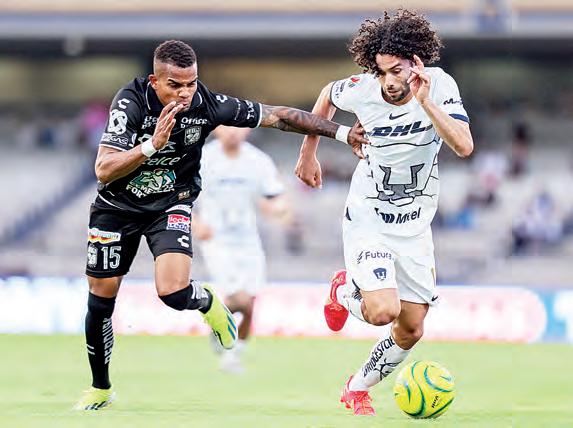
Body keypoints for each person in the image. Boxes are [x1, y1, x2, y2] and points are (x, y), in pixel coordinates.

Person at [75, 39, 367, 411]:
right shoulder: (130, 102)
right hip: (116, 209)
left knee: (172, 293)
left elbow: (279, 116)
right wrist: (152, 145)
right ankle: (100, 388)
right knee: (101, 300)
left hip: (170, 204)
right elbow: (104, 168)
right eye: (175, 85)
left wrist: (341, 133)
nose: (185, 93)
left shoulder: (206, 104)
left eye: (191, 83)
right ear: (154, 81)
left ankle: (208, 301)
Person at [295, 10, 474, 416]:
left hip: (415, 225)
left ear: (416, 62)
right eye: (381, 72)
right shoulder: (361, 89)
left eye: (396, 71)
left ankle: (357, 388)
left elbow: (464, 146)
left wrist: (426, 102)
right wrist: (309, 153)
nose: (389, 81)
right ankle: (343, 290)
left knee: (411, 328)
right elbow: (327, 95)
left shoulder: (440, 85)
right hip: (369, 217)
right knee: (383, 312)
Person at [192, 125, 291, 373]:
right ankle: (218, 320)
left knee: (251, 301)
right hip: (216, 238)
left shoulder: (258, 160)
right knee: (241, 299)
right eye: (226, 126)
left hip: (248, 239)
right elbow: (180, 195)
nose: (232, 132)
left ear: (248, 129)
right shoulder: (203, 158)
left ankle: (232, 355)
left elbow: (273, 197)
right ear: (216, 128)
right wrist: (195, 223)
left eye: (238, 127)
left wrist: (279, 208)